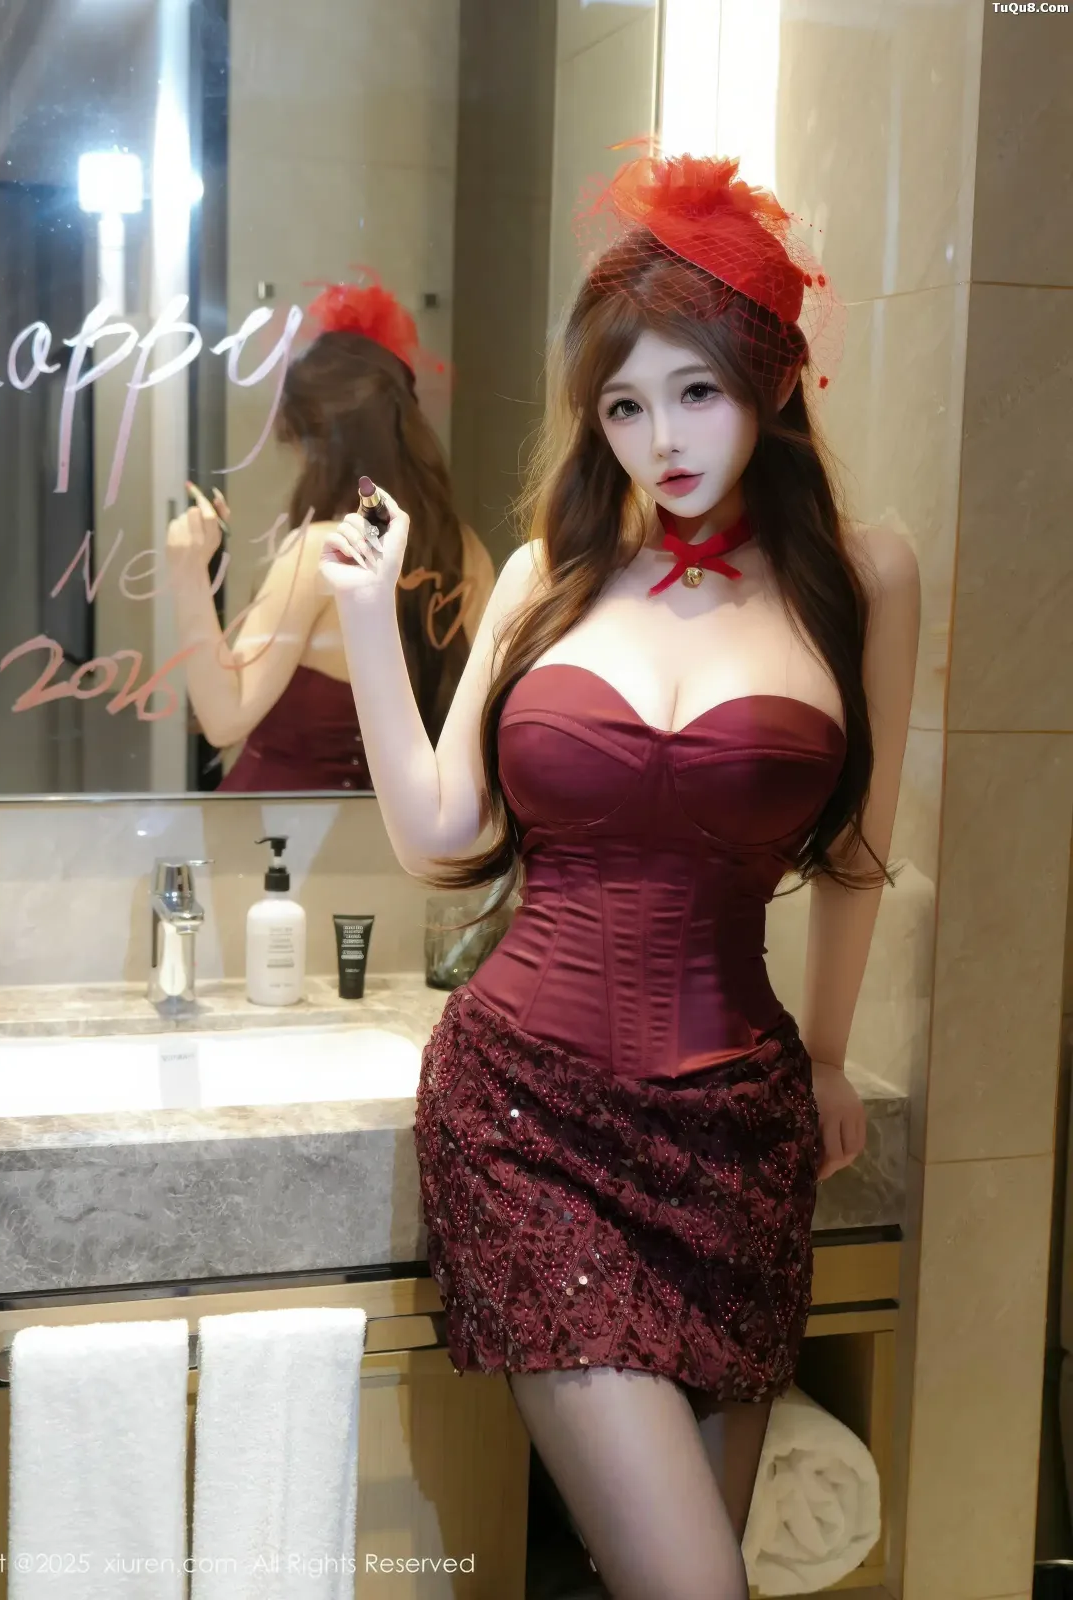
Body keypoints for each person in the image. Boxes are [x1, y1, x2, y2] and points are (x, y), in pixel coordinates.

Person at [318, 146, 921, 1599]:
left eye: (696, 392)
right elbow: (439, 837)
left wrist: (826, 1056)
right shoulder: (552, 572)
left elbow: (855, 855)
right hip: (526, 1120)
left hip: (738, 1139)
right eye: (626, 405)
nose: (662, 439)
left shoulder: (863, 577)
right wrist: (366, 624)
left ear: (773, 382)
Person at [165, 278, 495, 791]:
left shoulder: (323, 550)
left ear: (320, 446)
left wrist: (188, 571)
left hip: (277, 825)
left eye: (298, 445)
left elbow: (224, 719)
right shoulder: (465, 551)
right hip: (390, 827)